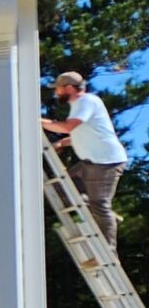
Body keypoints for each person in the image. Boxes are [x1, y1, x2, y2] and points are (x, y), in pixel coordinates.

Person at [43, 72, 128, 242]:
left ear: (68, 88)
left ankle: (110, 251)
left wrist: (38, 122)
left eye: (58, 89)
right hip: (91, 163)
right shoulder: (79, 105)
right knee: (60, 191)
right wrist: (61, 144)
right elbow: (81, 133)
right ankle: (104, 213)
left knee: (99, 205)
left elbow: (69, 127)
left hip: (106, 163)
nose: (56, 92)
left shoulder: (86, 101)